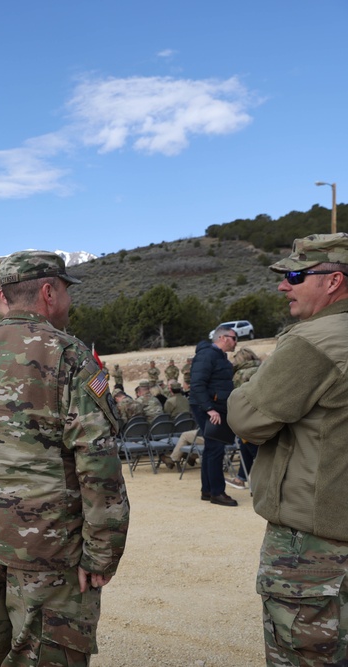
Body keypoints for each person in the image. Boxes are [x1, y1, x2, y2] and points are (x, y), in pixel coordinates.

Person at [0, 250, 129, 666]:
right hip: (53, 552)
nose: (69, 302)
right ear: (49, 292)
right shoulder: (71, 357)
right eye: (67, 291)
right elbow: (98, 460)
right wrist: (102, 552)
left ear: (1, 296)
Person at [228, 233, 348, 666]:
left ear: (333, 281)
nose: (284, 285)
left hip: (315, 545)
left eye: (296, 275)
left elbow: (248, 418)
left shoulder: (315, 340)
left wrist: (246, 384)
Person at [190, 326, 238, 506]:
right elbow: (197, 383)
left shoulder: (218, 356)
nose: (236, 343)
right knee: (216, 448)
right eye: (234, 338)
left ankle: (208, 490)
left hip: (215, 406)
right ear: (224, 338)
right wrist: (209, 408)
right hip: (209, 408)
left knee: (211, 448)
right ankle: (217, 492)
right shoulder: (207, 355)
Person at [226, 349, 261, 490]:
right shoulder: (262, 368)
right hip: (263, 414)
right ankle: (240, 478)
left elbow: (237, 397)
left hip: (247, 416)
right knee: (245, 444)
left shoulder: (240, 374)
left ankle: (265, 479)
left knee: (254, 449)